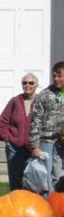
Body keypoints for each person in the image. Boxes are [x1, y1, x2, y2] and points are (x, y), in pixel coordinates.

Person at [0, 73, 38, 191]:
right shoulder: (15, 101)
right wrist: (8, 138)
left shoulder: (41, 101)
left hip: (33, 148)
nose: (27, 85)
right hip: (15, 148)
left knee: (33, 182)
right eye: (24, 83)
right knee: (16, 182)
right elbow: (2, 122)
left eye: (31, 83)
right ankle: (15, 206)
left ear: (36, 85)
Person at [29, 61, 64, 193]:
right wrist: (34, 146)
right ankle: (51, 206)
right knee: (47, 177)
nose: (56, 79)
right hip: (47, 141)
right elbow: (35, 121)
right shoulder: (45, 95)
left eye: (60, 76)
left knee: (60, 178)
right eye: (54, 76)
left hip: (63, 142)